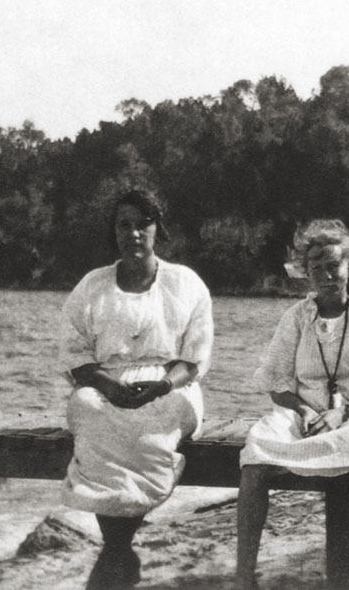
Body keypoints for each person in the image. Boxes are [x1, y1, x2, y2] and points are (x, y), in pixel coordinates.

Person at [236, 219, 349, 590]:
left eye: (334, 265)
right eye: (316, 267)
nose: (326, 275)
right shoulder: (298, 317)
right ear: (306, 273)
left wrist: (344, 411)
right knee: (254, 457)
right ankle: (244, 578)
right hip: (304, 415)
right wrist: (306, 411)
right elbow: (277, 383)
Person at [59, 187, 214, 589]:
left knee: (154, 420)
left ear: (157, 228)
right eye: (123, 225)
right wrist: (108, 386)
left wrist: (161, 385)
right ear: (113, 232)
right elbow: (74, 354)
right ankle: (118, 551)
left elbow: (193, 360)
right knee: (89, 410)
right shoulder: (93, 285)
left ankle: (115, 551)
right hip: (105, 384)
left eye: (142, 224)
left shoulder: (185, 283)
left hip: (169, 385)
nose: (133, 233)